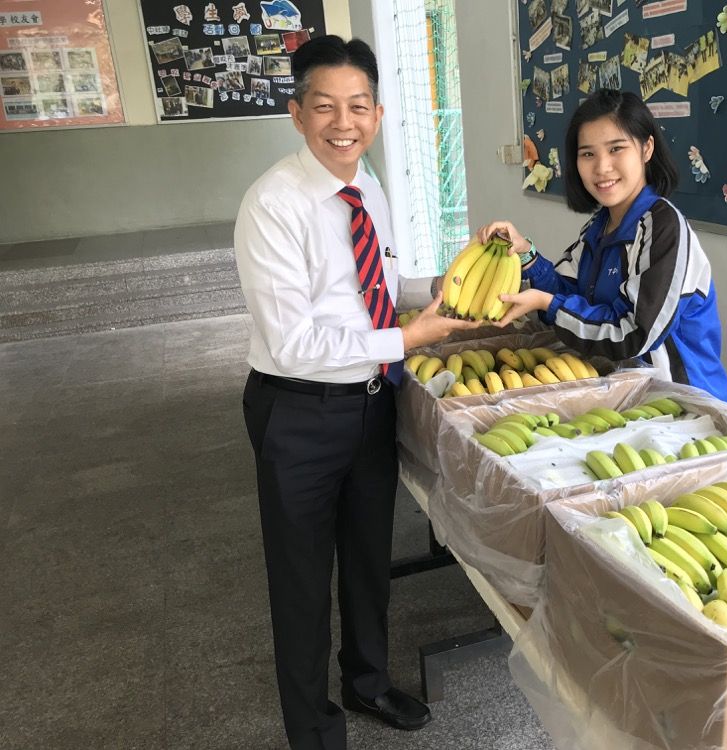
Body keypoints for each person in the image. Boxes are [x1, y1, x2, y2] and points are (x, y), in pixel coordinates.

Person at [234, 35, 477, 750]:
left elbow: (378, 289)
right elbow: (294, 343)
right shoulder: (273, 204)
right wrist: (408, 338)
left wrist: (441, 287)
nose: (345, 123)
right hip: (298, 411)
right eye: (325, 107)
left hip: (371, 402)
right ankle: (314, 730)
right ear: (297, 113)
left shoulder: (367, 185)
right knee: (302, 581)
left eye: (359, 106)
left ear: (377, 112)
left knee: (369, 561)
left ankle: (367, 683)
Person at [478, 88, 727, 401]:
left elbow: (633, 334)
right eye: (588, 154)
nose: (602, 167)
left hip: (683, 406)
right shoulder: (599, 227)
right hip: (625, 398)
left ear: (646, 148)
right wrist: (526, 253)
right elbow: (568, 291)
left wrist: (548, 304)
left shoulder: (664, 229)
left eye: (616, 149)